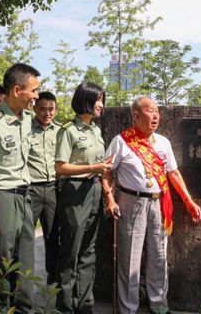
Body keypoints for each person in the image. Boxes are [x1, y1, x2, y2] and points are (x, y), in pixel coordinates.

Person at [103, 96, 201, 314]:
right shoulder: (121, 141)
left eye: (157, 111)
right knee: (130, 258)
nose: (156, 115)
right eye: (150, 111)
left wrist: (188, 200)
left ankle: (159, 305)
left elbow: (173, 173)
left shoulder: (163, 142)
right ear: (136, 115)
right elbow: (106, 172)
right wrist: (110, 199)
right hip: (131, 203)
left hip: (159, 203)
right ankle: (128, 308)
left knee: (159, 255)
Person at [0, 63, 40, 313]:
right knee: (1, 262)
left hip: (25, 197)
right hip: (2, 198)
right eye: (33, 90)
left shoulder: (27, 120)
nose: (36, 96)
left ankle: (24, 309)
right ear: (17, 90)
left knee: (26, 263)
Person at [54, 82, 113, 313]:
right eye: (98, 99)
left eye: (102, 100)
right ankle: (65, 305)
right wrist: (93, 166)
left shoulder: (96, 130)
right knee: (71, 250)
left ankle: (85, 303)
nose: (101, 105)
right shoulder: (69, 131)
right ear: (85, 100)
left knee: (89, 251)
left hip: (94, 189)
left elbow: (98, 167)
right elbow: (60, 167)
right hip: (74, 192)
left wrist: (101, 170)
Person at [28, 91, 60, 285]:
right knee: (24, 237)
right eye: (42, 109)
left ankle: (53, 280)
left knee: (53, 235)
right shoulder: (25, 128)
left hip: (54, 188)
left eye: (51, 109)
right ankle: (22, 280)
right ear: (34, 108)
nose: (47, 113)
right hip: (31, 189)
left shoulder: (61, 131)